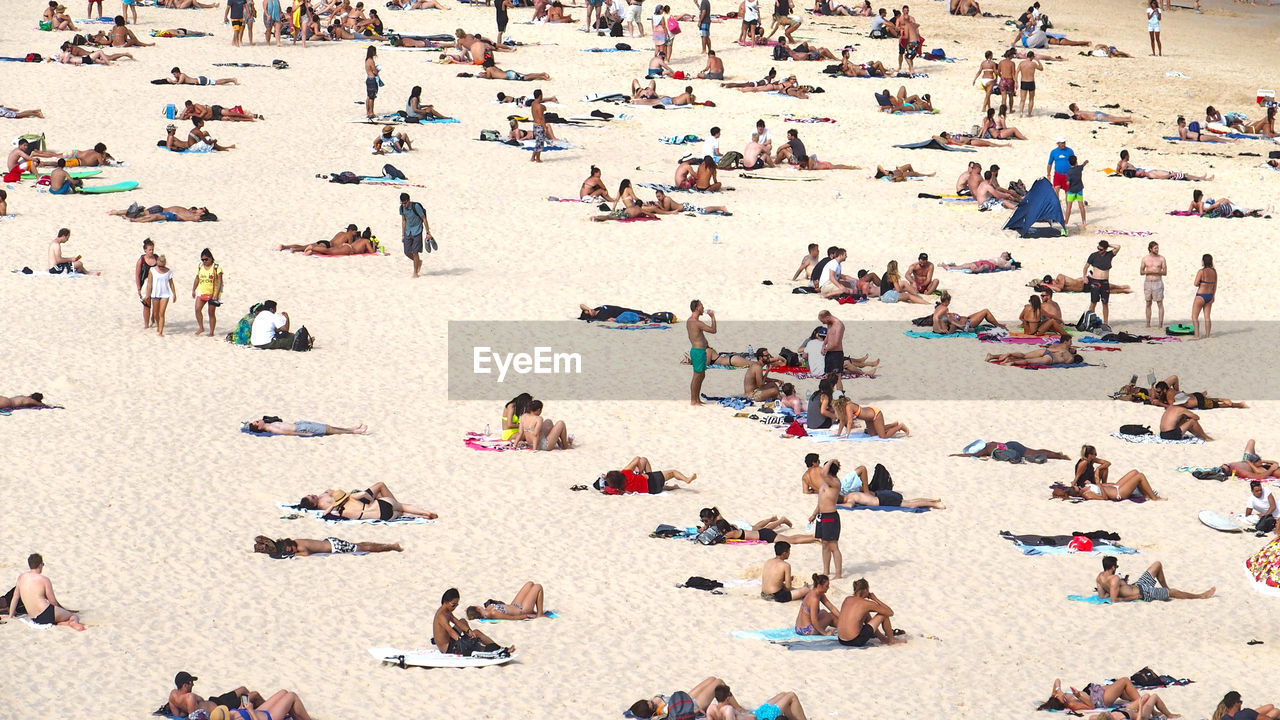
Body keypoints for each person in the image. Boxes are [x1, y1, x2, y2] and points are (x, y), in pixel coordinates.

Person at [8, 553, 84, 630]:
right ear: (40, 565)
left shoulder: (21, 578)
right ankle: (74, 623)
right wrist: (63, 611)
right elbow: (53, 602)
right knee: (73, 616)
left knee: (55, 619)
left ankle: (65, 623)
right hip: (46, 612)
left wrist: (11, 615)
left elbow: (15, 597)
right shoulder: (44, 580)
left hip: (34, 617)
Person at [433, 588, 512, 656]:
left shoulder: (446, 611)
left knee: (463, 621)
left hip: (449, 640)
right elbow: (450, 631)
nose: (455, 607)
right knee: (477, 632)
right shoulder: (441, 616)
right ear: (445, 602)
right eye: (453, 605)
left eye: (457, 605)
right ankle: (498, 648)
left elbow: (457, 622)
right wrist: (460, 640)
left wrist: (469, 631)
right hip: (448, 648)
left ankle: (471, 638)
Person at [297, 482, 437, 520]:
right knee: (401, 506)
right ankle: (425, 512)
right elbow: (364, 494)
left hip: (382, 515)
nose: (313, 494)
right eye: (312, 497)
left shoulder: (342, 512)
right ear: (315, 504)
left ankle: (420, 516)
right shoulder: (350, 497)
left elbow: (326, 514)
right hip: (381, 504)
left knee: (401, 513)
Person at [1096, 557, 1213, 602]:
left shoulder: (1100, 577)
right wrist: (1133, 597)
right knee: (1172, 593)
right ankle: (1200, 596)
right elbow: (1114, 599)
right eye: (1116, 566)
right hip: (1143, 592)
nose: (1116, 568)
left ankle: (1166, 588)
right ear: (1112, 567)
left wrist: (1120, 587)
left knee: (1157, 564)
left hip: (1139, 585)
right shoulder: (1115, 579)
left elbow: (1102, 596)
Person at [167, 673, 264, 719]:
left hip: (217, 701)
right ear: (185, 685)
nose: (193, 684)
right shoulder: (190, 697)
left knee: (243, 689)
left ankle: (255, 708)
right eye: (191, 682)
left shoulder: (173, 695)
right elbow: (197, 718)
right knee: (254, 695)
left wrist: (185, 710)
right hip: (222, 709)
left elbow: (178, 716)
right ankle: (269, 710)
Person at [835, 578, 899, 646]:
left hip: (841, 640)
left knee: (865, 613)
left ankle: (882, 639)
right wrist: (875, 599)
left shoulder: (847, 599)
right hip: (855, 641)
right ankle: (891, 640)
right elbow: (890, 612)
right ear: (865, 590)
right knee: (883, 615)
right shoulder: (866, 603)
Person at [1037, 677, 1143, 713]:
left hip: (1095, 692)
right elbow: (1091, 706)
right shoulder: (1072, 704)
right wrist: (1078, 695)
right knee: (1124, 681)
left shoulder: (1056, 695)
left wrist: (1058, 690)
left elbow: (1057, 680)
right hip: (1100, 699)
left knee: (1123, 692)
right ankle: (1142, 703)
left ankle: (1137, 701)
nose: (1063, 698)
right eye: (1063, 701)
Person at [808, 473, 842, 578]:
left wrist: (832, 461)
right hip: (821, 516)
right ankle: (826, 571)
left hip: (831, 516)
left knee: (833, 545)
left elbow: (824, 472)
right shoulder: (824, 484)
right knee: (824, 545)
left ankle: (838, 574)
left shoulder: (835, 483)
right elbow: (820, 502)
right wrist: (814, 514)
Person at [600, 456, 694, 493]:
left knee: (644, 461)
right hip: (652, 480)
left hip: (653, 490)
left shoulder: (621, 488)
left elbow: (608, 488)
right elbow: (637, 459)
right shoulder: (625, 473)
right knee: (673, 472)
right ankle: (686, 479)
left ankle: (674, 487)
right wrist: (640, 472)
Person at [831, 397, 909, 439]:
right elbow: (842, 421)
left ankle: (900, 426)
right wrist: (838, 434)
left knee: (882, 436)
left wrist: (846, 435)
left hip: (875, 414)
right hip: (868, 418)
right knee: (873, 434)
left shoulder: (849, 406)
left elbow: (850, 422)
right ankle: (893, 425)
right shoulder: (845, 407)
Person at [253, 536, 402, 557]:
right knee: (362, 545)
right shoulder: (296, 541)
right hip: (330, 542)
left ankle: (392, 547)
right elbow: (284, 550)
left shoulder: (303, 550)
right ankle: (390, 545)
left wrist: (278, 553)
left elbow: (299, 555)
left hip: (335, 547)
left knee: (365, 547)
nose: (292, 550)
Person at [464, 582, 546, 620]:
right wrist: (526, 616)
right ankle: (540, 614)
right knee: (538, 587)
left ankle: (538, 612)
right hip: (522, 610)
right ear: (477, 608)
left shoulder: (488, 608)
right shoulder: (492, 613)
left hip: (514, 605)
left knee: (530, 584)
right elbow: (512, 618)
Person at [931, 292, 1004, 334]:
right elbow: (936, 318)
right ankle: (998, 325)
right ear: (947, 301)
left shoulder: (940, 307)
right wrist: (940, 329)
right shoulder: (944, 309)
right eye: (949, 301)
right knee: (985, 311)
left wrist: (936, 329)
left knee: (984, 311)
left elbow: (938, 318)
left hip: (967, 319)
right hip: (968, 323)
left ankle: (998, 324)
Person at [399, 192, 435, 278]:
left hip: (417, 231)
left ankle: (415, 272)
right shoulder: (402, 208)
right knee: (407, 252)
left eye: (405, 203)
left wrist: (428, 232)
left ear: (409, 201)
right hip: (408, 232)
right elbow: (403, 220)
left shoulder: (416, 206)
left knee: (415, 252)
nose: (403, 205)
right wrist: (403, 234)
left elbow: (424, 218)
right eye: (402, 203)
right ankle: (418, 262)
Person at [687, 299, 716, 406]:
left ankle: (697, 399)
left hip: (698, 351)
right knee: (697, 376)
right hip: (698, 351)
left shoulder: (690, 321)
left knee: (701, 375)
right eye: (702, 306)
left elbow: (696, 336)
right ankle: (694, 400)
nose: (703, 308)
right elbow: (713, 330)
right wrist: (712, 317)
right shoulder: (696, 322)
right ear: (697, 308)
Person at [191, 249, 222, 337]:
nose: (204, 261)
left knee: (211, 312)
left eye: (206, 259)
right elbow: (197, 278)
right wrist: (193, 289)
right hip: (201, 291)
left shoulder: (216, 267)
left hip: (213, 293)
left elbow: (220, 282)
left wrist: (216, 294)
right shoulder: (200, 267)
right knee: (197, 309)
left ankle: (211, 332)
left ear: (211, 258)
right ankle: (201, 327)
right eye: (202, 260)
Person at [1084, 240, 1117, 325]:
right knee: (1093, 302)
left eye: (1101, 249)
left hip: (1105, 282)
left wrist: (1108, 244)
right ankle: (1090, 321)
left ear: (1106, 249)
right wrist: (1084, 277)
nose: (1099, 250)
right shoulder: (1093, 255)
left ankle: (1105, 322)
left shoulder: (1109, 255)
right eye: (1098, 248)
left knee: (1105, 302)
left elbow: (1118, 247)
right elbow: (1086, 267)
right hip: (1095, 281)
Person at [143, 254, 175, 336]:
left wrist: (174, 294)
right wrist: (147, 295)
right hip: (155, 294)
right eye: (159, 266)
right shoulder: (152, 270)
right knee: (156, 313)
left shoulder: (168, 272)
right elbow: (149, 284)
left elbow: (171, 284)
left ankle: (161, 331)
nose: (160, 268)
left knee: (161, 313)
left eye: (162, 266)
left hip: (165, 294)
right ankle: (158, 325)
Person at [951, 441, 1067, 462]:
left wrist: (957, 455)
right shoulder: (990, 443)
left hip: (1011, 449)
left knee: (1034, 454)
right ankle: (1057, 455)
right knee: (1034, 451)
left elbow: (973, 455)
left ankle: (1059, 456)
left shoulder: (986, 449)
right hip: (1010, 444)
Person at [1139, 241, 1166, 328]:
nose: (1157, 249)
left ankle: (1160, 324)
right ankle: (1148, 323)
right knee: (1148, 303)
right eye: (1155, 248)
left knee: (1159, 303)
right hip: (1148, 283)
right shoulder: (1145, 259)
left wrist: (1158, 272)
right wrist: (1149, 271)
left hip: (1157, 282)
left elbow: (1165, 272)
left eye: (1157, 248)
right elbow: (1141, 272)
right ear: (1150, 249)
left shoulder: (1161, 258)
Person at [246, 418, 368, 436]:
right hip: (301, 429)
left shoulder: (269, 423)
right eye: (257, 422)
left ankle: (350, 428)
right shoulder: (271, 428)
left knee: (327, 426)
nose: (258, 420)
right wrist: (304, 434)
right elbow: (287, 433)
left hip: (299, 424)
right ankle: (353, 431)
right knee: (328, 430)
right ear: (260, 428)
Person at [1192, 253, 1216, 339]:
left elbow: (1195, 283)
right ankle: (1207, 335)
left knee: (1194, 316)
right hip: (1210, 295)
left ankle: (1197, 335)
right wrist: (1213, 296)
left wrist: (1201, 284)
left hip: (1201, 295)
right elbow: (1215, 285)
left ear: (1203, 261)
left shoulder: (1201, 271)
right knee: (1207, 316)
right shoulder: (1214, 272)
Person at [1212, 691, 1280, 720]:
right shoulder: (1246, 713)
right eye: (1240, 702)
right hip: (1248, 716)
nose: (1241, 703)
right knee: (1276, 711)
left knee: (1271, 707)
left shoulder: (1224, 718)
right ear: (1236, 704)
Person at [1062, 154, 1088, 229]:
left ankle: (1066, 221)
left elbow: (1068, 183)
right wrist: (1086, 162)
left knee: (1069, 207)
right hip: (1079, 189)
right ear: (1076, 162)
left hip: (1071, 191)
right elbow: (1083, 165)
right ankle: (1084, 221)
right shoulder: (1079, 168)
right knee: (1081, 206)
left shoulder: (1069, 172)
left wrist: (1067, 182)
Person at [1016, 50, 1042, 116]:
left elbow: (1017, 72)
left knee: (1022, 99)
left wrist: (1016, 81)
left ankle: (1021, 112)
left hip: (1023, 82)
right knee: (1031, 99)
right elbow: (1041, 68)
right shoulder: (1033, 64)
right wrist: (1038, 60)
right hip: (1031, 82)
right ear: (1032, 57)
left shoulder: (1022, 63)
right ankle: (1029, 113)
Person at [939, 252, 1014, 274]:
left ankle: (974, 271)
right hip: (985, 261)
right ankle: (950, 268)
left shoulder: (1006, 262)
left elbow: (1008, 267)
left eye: (1006, 253)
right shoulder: (997, 257)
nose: (1004, 253)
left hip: (992, 265)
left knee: (984, 266)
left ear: (1007, 257)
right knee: (967, 265)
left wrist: (1000, 266)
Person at [1068, 103, 1132, 125]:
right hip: (1097, 115)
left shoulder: (1078, 113)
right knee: (1113, 118)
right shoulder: (1077, 114)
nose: (1077, 106)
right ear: (1074, 108)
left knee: (1113, 118)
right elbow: (1081, 119)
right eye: (1076, 106)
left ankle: (1127, 119)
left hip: (1097, 115)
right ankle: (1127, 119)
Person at [364, 45, 380, 119]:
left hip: (368, 78)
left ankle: (368, 111)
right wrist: (378, 70)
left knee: (368, 96)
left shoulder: (367, 60)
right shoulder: (371, 60)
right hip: (372, 79)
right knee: (372, 97)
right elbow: (374, 71)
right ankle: (371, 112)